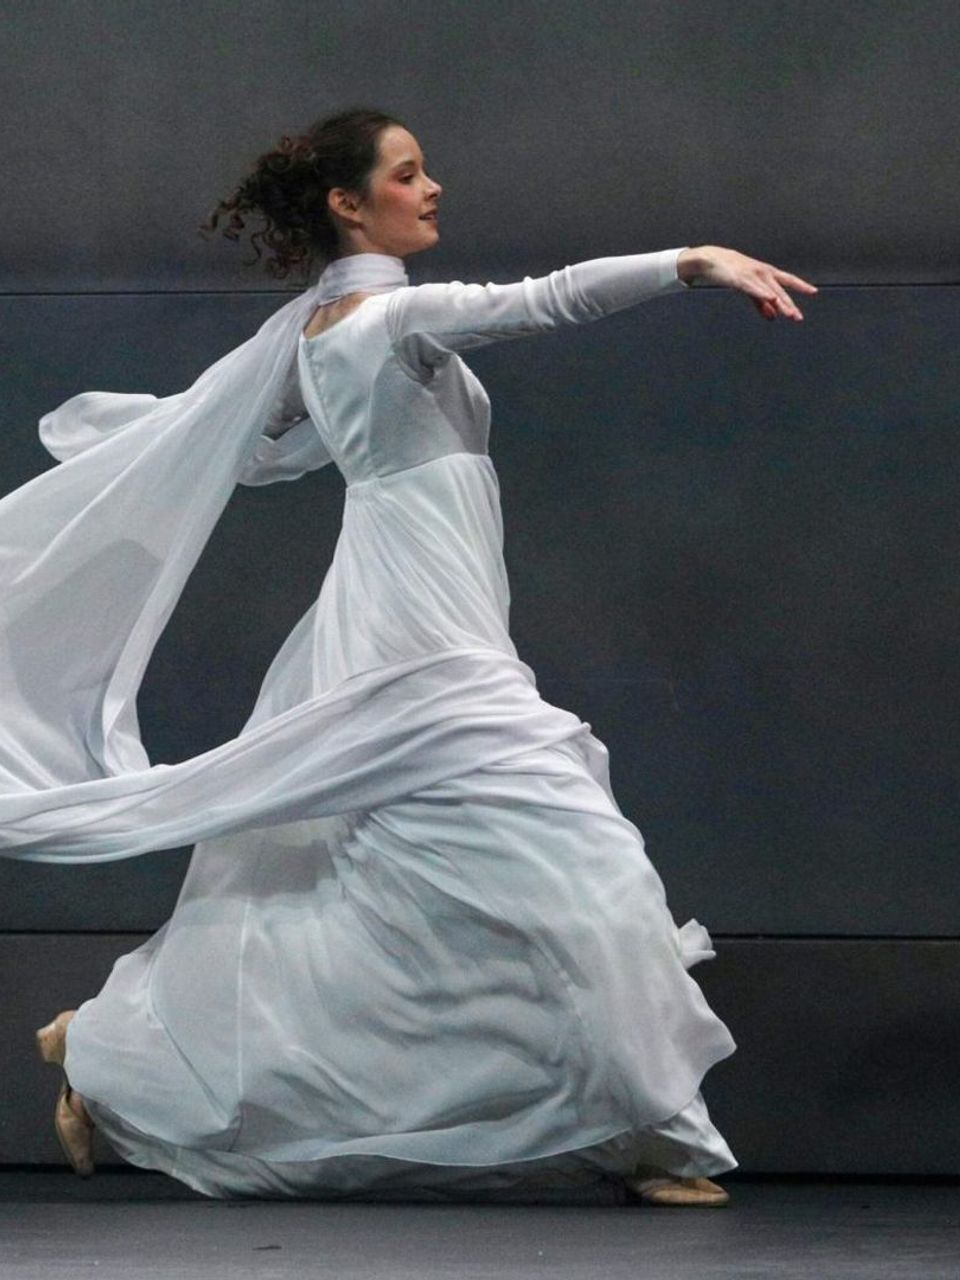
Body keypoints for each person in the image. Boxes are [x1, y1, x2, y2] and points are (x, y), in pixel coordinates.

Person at [19, 107, 816, 1207]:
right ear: (349, 204)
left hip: (421, 607)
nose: (432, 186)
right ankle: (657, 1131)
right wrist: (692, 260)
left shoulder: (317, 330)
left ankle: (109, 1046)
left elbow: (265, 447)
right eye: (407, 173)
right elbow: (544, 299)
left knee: (405, 888)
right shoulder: (384, 320)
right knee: (582, 859)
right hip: (416, 634)